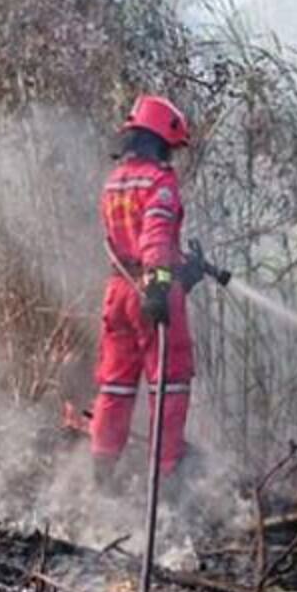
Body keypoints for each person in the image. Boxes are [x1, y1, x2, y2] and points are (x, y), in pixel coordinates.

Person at [89, 94, 204, 488]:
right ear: (160, 139)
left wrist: (185, 272)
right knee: (170, 384)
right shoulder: (159, 181)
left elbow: (129, 242)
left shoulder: (115, 181)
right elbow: (154, 237)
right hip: (150, 289)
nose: (172, 154)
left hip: (118, 291)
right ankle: (166, 476)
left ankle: (102, 472)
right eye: (171, 146)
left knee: (115, 384)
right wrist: (159, 284)